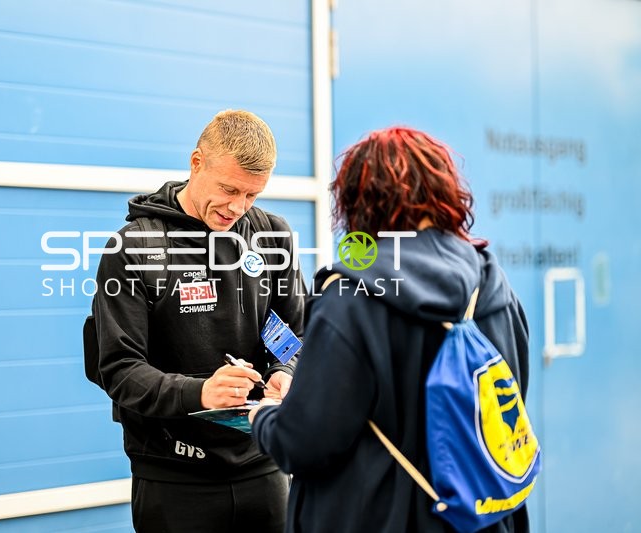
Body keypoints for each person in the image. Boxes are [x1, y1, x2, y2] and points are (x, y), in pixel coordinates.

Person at [249, 126, 531, 533]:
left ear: (357, 202)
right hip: (481, 517)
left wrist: (264, 416)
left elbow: (304, 443)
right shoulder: (493, 284)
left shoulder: (351, 299)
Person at [91, 109, 305, 532]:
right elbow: (119, 368)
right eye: (229, 189)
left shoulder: (272, 236)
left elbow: (299, 334)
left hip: (264, 467)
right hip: (173, 477)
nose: (237, 207)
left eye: (252, 195)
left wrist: (286, 371)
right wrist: (201, 392)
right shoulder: (134, 247)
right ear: (196, 162)